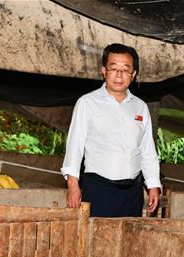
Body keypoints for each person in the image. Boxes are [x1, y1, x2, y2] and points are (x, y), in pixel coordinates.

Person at [61, 43, 161, 217]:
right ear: (104, 71)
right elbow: (75, 145)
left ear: (134, 74)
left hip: (133, 192)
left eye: (125, 69)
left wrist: (153, 185)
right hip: (99, 190)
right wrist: (72, 185)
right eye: (114, 68)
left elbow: (147, 150)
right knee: (96, 241)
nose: (119, 75)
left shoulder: (140, 107)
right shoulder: (87, 103)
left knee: (130, 242)